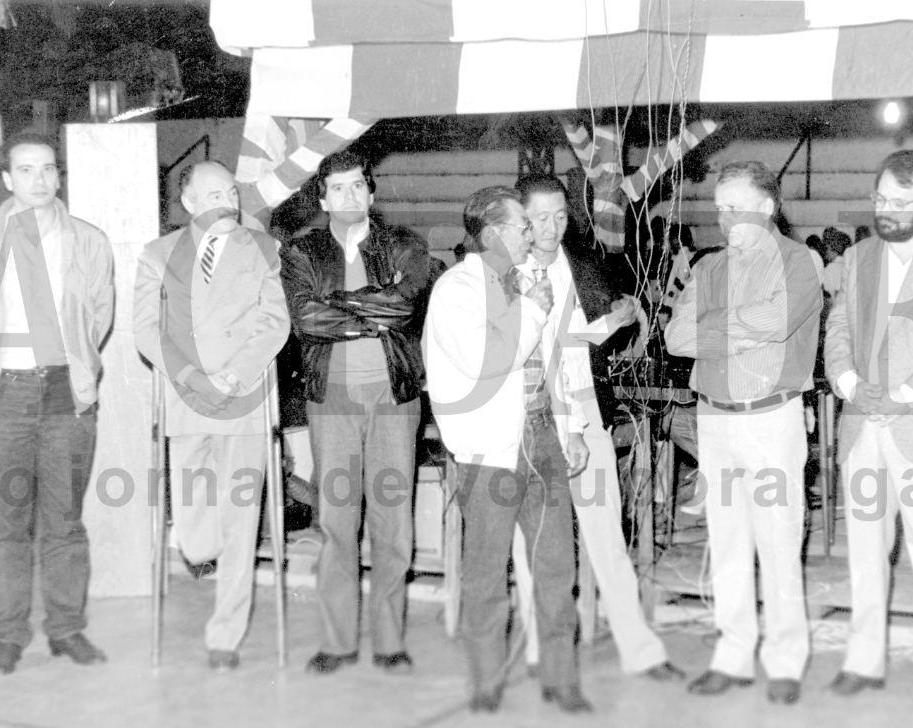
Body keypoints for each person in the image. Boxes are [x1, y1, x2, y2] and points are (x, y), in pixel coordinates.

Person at [0, 131, 114, 674]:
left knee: (65, 522)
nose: (39, 180)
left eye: (48, 169)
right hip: (7, 396)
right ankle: (8, 635)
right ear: (6, 178)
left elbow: (99, 313)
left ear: (58, 174)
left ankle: (67, 630)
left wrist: (79, 365)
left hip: (67, 393)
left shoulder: (88, 240)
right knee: (7, 525)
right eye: (26, 170)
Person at [508, 174, 684, 682]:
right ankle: (541, 648)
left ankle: (640, 649)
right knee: (534, 541)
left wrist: (623, 316)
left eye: (561, 216)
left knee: (607, 534)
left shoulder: (581, 264)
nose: (551, 227)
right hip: (532, 418)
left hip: (587, 411)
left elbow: (587, 338)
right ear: (519, 218)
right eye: (539, 218)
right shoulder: (502, 273)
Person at [424, 185, 591, 714]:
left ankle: (562, 680)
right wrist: (534, 312)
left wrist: (574, 427)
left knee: (556, 567)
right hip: (489, 451)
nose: (532, 232)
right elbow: (487, 359)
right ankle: (486, 683)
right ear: (493, 233)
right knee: (487, 573)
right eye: (522, 224)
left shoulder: (530, 284)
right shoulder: (457, 289)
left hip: (543, 436)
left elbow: (561, 363)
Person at [666, 160, 823, 705]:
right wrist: (738, 331)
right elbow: (676, 337)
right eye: (720, 206)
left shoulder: (799, 261)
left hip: (770, 418)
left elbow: (778, 323)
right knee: (727, 542)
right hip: (714, 419)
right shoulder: (708, 267)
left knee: (778, 541)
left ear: (768, 205)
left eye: (736, 205)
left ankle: (785, 658)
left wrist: (716, 328)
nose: (725, 216)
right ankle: (732, 655)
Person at [824, 150, 913, 711]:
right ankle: (864, 661)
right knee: (865, 552)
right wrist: (845, 380)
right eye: (879, 198)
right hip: (864, 428)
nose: (884, 210)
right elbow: (837, 325)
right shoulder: (860, 256)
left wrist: (904, 396)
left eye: (898, 202)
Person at [133, 161, 290, 671]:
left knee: (241, 525)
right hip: (189, 401)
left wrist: (237, 375)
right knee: (199, 537)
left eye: (232, 192)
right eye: (214, 194)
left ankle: (225, 635)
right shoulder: (157, 255)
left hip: (243, 401)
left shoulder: (262, 250)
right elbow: (147, 331)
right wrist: (199, 380)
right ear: (189, 203)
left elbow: (274, 322)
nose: (228, 202)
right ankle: (200, 547)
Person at [281, 149, 432, 676]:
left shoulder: (405, 245)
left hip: (394, 399)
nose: (348, 196)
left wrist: (341, 305)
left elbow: (404, 305)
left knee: (393, 520)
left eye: (356, 186)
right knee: (336, 521)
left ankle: (390, 638)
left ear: (372, 192)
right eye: (336, 188)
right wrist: (371, 312)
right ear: (322, 199)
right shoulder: (302, 251)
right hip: (333, 401)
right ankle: (337, 640)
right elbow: (305, 318)